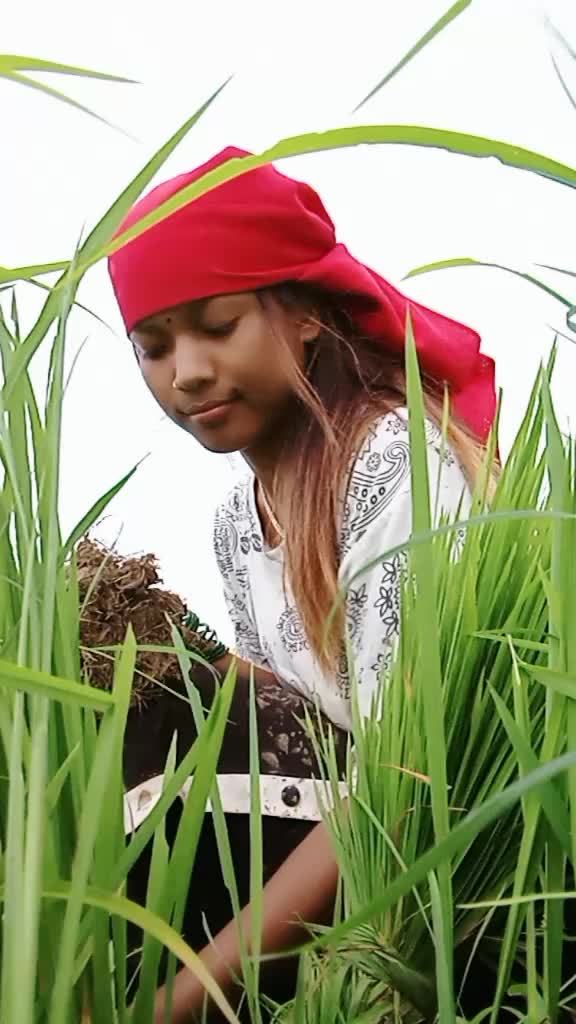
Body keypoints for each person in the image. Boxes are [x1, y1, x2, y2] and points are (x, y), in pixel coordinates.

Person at [108, 146, 497, 1022]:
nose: (186, 372)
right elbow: (290, 720)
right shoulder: (236, 522)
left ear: (307, 314)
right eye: (154, 348)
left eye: (218, 325)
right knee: (152, 693)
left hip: (426, 838)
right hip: (330, 829)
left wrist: (183, 996)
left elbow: (404, 777)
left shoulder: (397, 464)